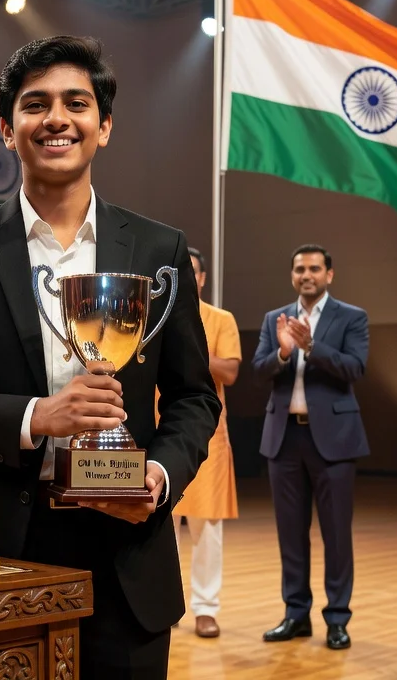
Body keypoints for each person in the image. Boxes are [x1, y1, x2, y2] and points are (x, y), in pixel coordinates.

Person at [0, 35, 219, 679]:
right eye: (35, 105)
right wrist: (36, 416)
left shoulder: (158, 247)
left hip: (126, 544)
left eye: (78, 102)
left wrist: (156, 478)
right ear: (9, 131)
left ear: (104, 127)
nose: (57, 118)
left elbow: (194, 397)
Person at [253, 244, 370, 651]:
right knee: (291, 534)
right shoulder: (274, 319)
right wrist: (284, 351)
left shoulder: (352, 317)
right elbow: (258, 368)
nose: (307, 274)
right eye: (300, 269)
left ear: (329, 275)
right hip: (285, 439)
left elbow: (355, 368)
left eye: (315, 268)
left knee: (336, 534)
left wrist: (311, 347)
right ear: (292, 275)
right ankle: (295, 614)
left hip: (334, 442)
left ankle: (337, 619)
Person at [165, 246, 240, 639]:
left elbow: (229, 370)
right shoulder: (158, 313)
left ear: (203, 278)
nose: (188, 278)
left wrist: (191, 350)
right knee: (162, 525)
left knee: (206, 527)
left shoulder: (220, 319)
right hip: (160, 431)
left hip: (207, 435)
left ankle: (206, 608)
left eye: (192, 272)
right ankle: (169, 602)